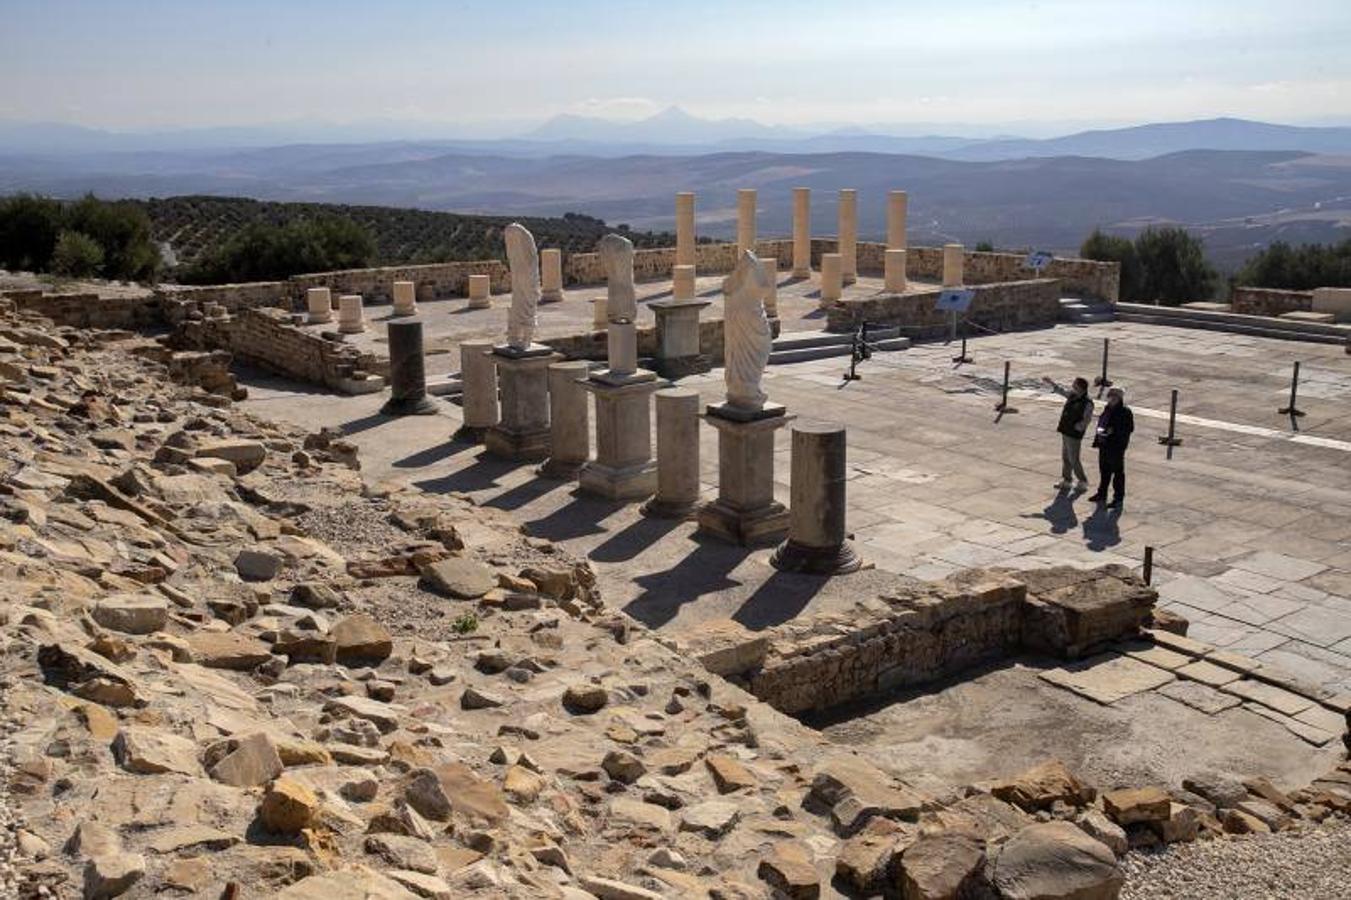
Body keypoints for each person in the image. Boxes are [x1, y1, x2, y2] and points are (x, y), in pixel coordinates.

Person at [1088, 386, 1134, 508]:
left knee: (1118, 474)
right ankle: (1101, 493)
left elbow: (1129, 429)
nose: (1111, 399)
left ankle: (1118, 498)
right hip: (1104, 444)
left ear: (1119, 398)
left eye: (1114, 397)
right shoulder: (1108, 408)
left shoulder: (1125, 412)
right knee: (1104, 472)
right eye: (1110, 396)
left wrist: (1113, 431)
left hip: (1116, 447)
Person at [1047, 376, 1094, 491]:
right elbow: (1062, 392)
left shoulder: (1087, 402)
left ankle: (1082, 481)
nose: (1073, 386)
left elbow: (1087, 419)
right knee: (1066, 457)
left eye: (1075, 384)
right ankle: (1067, 480)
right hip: (1065, 431)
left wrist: (1078, 427)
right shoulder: (1073, 395)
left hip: (1074, 434)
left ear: (1080, 387)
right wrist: (1052, 383)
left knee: (1074, 458)